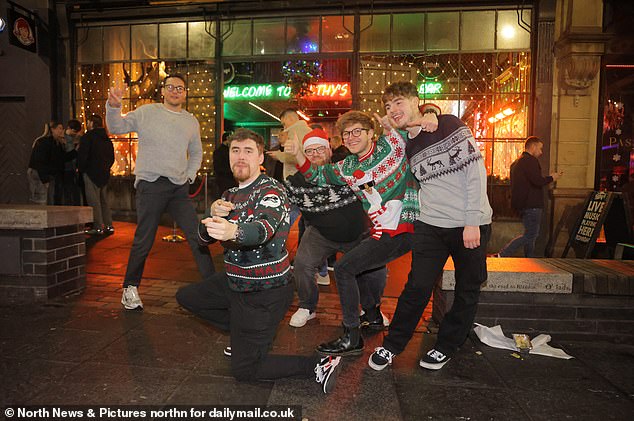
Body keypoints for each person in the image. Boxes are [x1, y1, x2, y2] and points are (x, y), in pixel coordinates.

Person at [175, 128, 342, 394]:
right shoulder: (228, 195)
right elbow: (202, 240)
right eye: (235, 151)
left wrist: (234, 231)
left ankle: (318, 365)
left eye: (248, 151)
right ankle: (243, 335)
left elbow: (264, 228)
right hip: (234, 281)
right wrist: (210, 217)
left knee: (246, 371)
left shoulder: (271, 190)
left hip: (265, 291)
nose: (241, 157)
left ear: (261, 157)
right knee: (188, 297)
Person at [285, 110, 438, 356]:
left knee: (349, 269)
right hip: (380, 233)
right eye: (346, 133)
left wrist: (430, 115)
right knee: (350, 269)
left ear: (370, 133)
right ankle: (371, 320)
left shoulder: (391, 146)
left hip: (406, 225)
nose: (352, 136)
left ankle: (352, 336)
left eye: (358, 131)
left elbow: (413, 127)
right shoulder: (347, 166)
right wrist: (297, 156)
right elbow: (317, 174)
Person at [368, 81, 492, 372]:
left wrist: (472, 219)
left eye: (399, 102)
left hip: (469, 224)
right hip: (430, 224)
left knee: (466, 288)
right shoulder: (407, 142)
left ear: (416, 101)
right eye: (388, 106)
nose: (393, 110)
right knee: (417, 286)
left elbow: (475, 172)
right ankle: (392, 345)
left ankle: (447, 345)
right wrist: (390, 128)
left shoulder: (447, 124)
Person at [106, 73, 216, 310]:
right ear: (163, 91)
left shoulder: (190, 121)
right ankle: (130, 288)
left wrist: (189, 174)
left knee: (197, 235)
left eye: (181, 88)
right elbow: (116, 127)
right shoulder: (147, 112)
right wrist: (114, 106)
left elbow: (196, 152)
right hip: (151, 184)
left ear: (185, 93)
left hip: (178, 187)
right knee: (144, 239)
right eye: (171, 87)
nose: (176, 91)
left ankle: (214, 288)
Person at [284, 128, 388, 328]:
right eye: (309, 151)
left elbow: (374, 188)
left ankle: (371, 308)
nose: (314, 155)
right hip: (321, 234)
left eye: (320, 150)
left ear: (330, 151)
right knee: (302, 264)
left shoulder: (345, 171)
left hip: (359, 233)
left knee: (377, 269)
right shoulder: (295, 183)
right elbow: (282, 207)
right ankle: (307, 306)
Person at [498, 136, 563, 257]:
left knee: (530, 235)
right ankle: (503, 253)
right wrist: (551, 178)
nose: (541, 152)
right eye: (540, 148)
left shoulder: (517, 162)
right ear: (533, 147)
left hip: (523, 204)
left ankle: (529, 259)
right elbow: (537, 181)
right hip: (532, 204)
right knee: (531, 235)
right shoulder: (530, 161)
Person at [77, 114, 115, 235]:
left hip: (91, 172)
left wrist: (81, 168)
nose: (87, 124)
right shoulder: (106, 139)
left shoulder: (88, 137)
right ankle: (108, 225)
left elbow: (83, 155)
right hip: (104, 173)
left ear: (92, 123)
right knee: (104, 200)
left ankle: (97, 226)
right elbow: (111, 158)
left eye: (88, 122)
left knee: (93, 201)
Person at [27, 120, 75, 205]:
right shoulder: (44, 142)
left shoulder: (56, 143)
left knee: (47, 199)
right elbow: (39, 162)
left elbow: (61, 158)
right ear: (53, 129)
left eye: (62, 128)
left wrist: (75, 152)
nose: (62, 131)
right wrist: (45, 179)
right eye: (59, 128)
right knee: (41, 200)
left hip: (47, 174)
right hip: (39, 173)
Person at [59, 119, 82, 206]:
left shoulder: (71, 138)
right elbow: (68, 155)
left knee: (72, 190)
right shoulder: (65, 139)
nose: (76, 134)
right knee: (68, 191)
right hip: (67, 168)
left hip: (72, 168)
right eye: (75, 132)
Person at [212, 131, 237, 198]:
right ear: (227, 139)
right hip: (227, 178)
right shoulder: (226, 151)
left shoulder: (218, 151)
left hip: (223, 178)